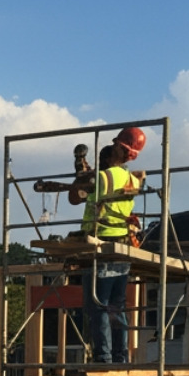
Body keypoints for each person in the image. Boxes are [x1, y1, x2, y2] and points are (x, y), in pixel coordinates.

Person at [73, 142, 146, 364]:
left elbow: (76, 195)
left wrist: (81, 169)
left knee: (99, 304)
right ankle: (120, 356)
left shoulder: (103, 178)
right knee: (116, 305)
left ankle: (103, 357)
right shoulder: (132, 179)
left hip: (101, 243)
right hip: (122, 244)